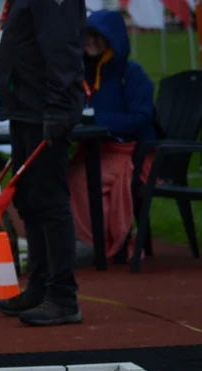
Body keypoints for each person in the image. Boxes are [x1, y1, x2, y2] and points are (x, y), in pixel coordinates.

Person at [0, 0, 86, 327]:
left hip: (43, 106)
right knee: (29, 200)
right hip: (24, 106)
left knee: (49, 200)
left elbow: (61, 48)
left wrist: (59, 109)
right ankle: (40, 284)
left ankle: (62, 296)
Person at [68, 9, 156, 262]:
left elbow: (141, 120)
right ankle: (92, 239)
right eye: (86, 36)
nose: (90, 42)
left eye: (98, 36)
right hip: (92, 150)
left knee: (80, 178)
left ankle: (106, 244)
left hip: (130, 152)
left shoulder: (131, 75)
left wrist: (95, 119)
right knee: (60, 175)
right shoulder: (81, 73)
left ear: (113, 38)